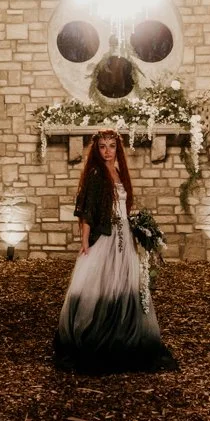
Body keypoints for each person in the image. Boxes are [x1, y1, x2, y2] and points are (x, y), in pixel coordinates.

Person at [53, 128, 179, 374]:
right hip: (106, 235)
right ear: (96, 149)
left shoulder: (119, 172)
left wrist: (136, 226)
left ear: (117, 149)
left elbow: (123, 207)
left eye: (111, 146)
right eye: (102, 146)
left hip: (123, 236)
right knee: (98, 282)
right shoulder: (95, 174)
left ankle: (122, 329)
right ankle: (95, 330)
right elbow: (86, 211)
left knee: (122, 281)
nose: (107, 151)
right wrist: (85, 241)